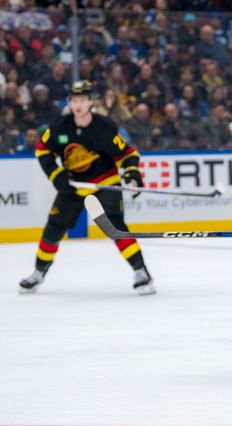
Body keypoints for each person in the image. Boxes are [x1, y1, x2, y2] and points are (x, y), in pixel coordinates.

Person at [19, 81, 155, 295]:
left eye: (82, 100)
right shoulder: (60, 127)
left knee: (116, 228)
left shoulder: (105, 128)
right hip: (73, 186)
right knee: (53, 228)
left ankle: (141, 272)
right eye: (74, 100)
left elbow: (127, 154)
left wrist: (132, 174)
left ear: (91, 102)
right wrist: (56, 175)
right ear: (70, 103)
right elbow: (42, 151)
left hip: (105, 184)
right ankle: (38, 272)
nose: (78, 104)